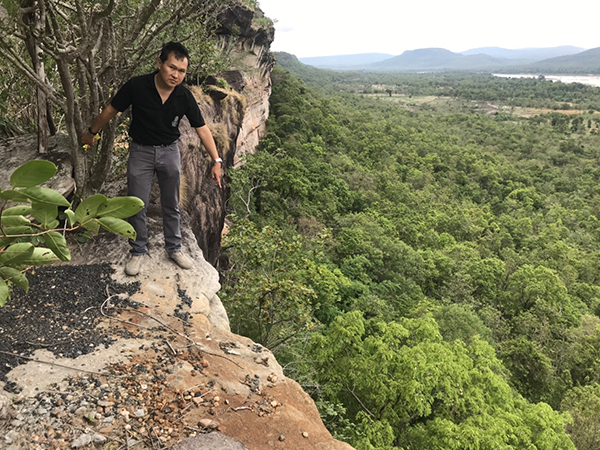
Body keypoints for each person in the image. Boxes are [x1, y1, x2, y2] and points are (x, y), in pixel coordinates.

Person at [81, 42, 222, 276]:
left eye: (182, 71)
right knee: (137, 204)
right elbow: (110, 110)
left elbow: (203, 129)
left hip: (169, 152)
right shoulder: (137, 86)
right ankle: (138, 250)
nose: (176, 75)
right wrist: (92, 132)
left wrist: (216, 161)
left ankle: (174, 248)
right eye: (172, 67)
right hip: (141, 152)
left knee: (172, 203)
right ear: (159, 63)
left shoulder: (184, 96)